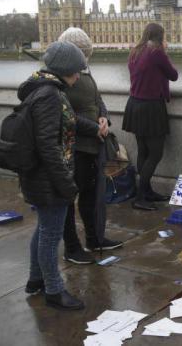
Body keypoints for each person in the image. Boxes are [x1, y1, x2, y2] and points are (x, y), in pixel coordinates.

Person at [21, 41, 101, 310]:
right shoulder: (49, 95)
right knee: (50, 235)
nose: (79, 75)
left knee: (43, 228)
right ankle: (54, 290)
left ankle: (35, 280)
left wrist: (93, 127)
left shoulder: (47, 89)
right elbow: (47, 145)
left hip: (44, 177)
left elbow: (70, 121)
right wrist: (66, 184)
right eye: (76, 70)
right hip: (49, 178)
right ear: (65, 69)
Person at [58, 28, 123, 264]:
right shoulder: (60, 78)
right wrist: (93, 127)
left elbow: (97, 100)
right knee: (69, 199)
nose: (85, 60)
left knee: (90, 196)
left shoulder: (84, 70)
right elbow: (65, 115)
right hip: (75, 147)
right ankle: (72, 247)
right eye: (82, 54)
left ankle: (94, 238)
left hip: (93, 145)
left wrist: (104, 117)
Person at [122, 23, 178, 211]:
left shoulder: (135, 51)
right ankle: (139, 197)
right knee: (155, 153)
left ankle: (147, 192)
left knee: (143, 151)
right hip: (151, 107)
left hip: (134, 104)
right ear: (160, 36)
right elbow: (173, 75)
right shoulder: (157, 53)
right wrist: (165, 52)